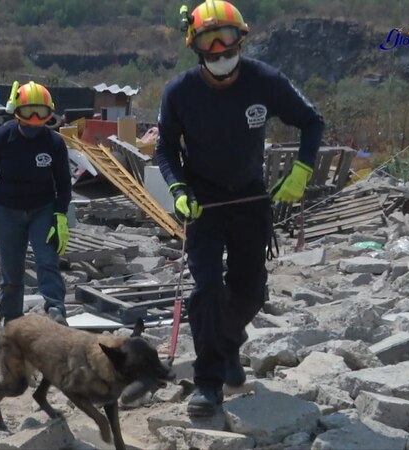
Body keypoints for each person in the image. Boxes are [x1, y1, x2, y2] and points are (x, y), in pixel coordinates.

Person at [155, 1, 324, 416]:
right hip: (203, 204)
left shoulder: (265, 81)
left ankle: (226, 343)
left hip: (251, 200)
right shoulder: (180, 92)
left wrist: (303, 169)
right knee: (208, 288)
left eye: (227, 40)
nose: (221, 50)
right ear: (195, 47)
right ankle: (207, 382)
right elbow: (165, 150)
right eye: (210, 43)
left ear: (241, 40)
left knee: (250, 291)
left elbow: (312, 121)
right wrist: (177, 189)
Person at [0, 81, 72, 325]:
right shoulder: (1, 137)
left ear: (50, 113)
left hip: (43, 210)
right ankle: (12, 317)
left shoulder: (55, 144)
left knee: (47, 261)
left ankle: (56, 310)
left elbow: (64, 183)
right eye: (29, 111)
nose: (35, 118)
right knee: (11, 269)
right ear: (17, 110)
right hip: (7, 212)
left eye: (41, 112)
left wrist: (60, 216)